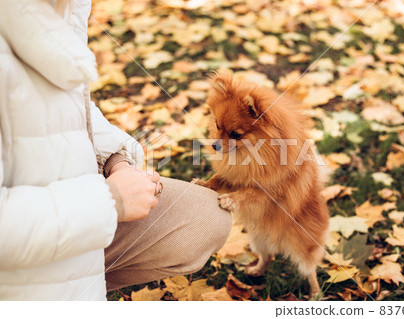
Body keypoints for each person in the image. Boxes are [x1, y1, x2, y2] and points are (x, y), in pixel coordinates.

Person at [0, 0, 231, 300]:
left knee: (202, 218)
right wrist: (110, 202)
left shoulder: (58, 7)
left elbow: (66, 106)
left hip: (67, 209)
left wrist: (115, 158)